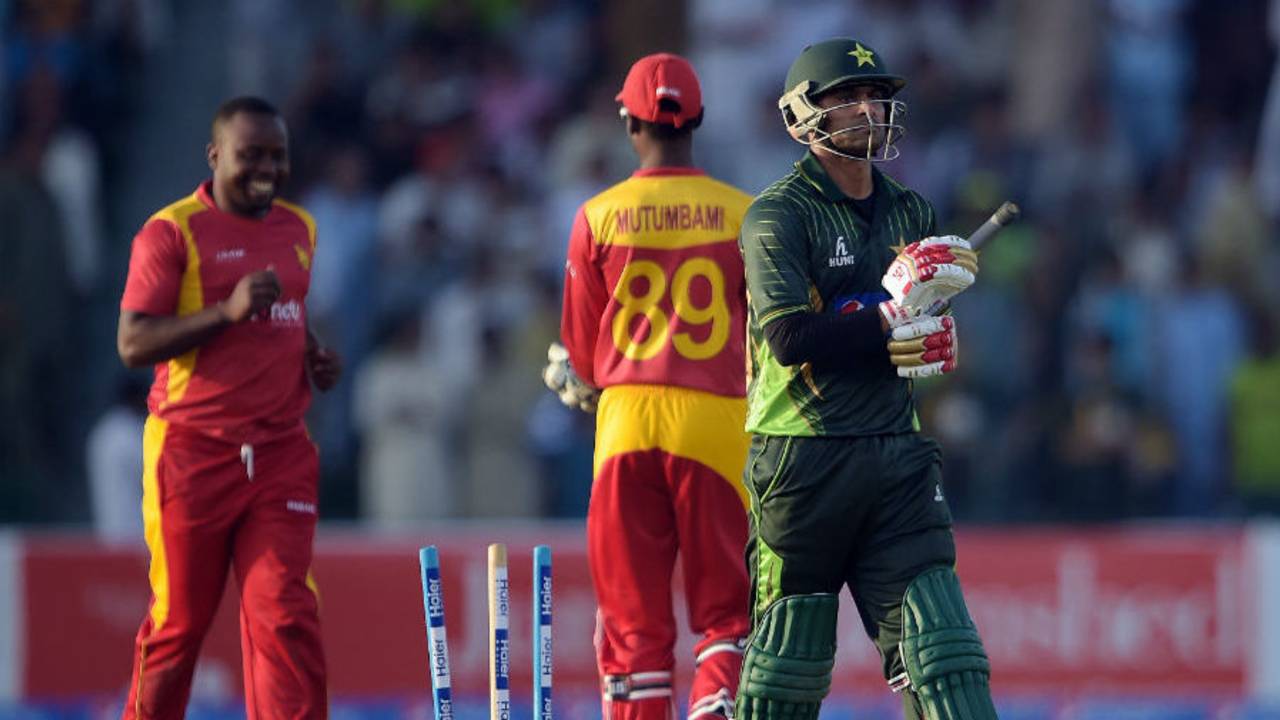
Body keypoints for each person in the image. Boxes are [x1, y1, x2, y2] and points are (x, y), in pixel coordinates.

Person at [733, 39, 998, 720]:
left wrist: (932, 341)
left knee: (949, 669)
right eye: (844, 96)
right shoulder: (778, 214)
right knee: (782, 684)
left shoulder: (912, 212)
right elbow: (789, 339)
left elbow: (909, 337)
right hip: (801, 459)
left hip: (896, 452)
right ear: (801, 116)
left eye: (874, 95)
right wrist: (887, 320)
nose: (865, 108)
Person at [115, 96, 341, 719]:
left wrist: (313, 355)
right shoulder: (171, 231)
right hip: (192, 451)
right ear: (215, 155)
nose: (266, 168)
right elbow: (133, 342)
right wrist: (225, 312)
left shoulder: (300, 227)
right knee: (179, 625)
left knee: (285, 613)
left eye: (277, 155)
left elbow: (285, 315)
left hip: (279, 452)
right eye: (250, 155)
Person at [543, 53, 753, 720]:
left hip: (627, 421)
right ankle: (715, 704)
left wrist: (590, 374)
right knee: (725, 614)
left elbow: (581, 353)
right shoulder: (745, 214)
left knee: (633, 627)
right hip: (716, 420)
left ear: (629, 122)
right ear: (698, 120)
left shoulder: (598, 216)